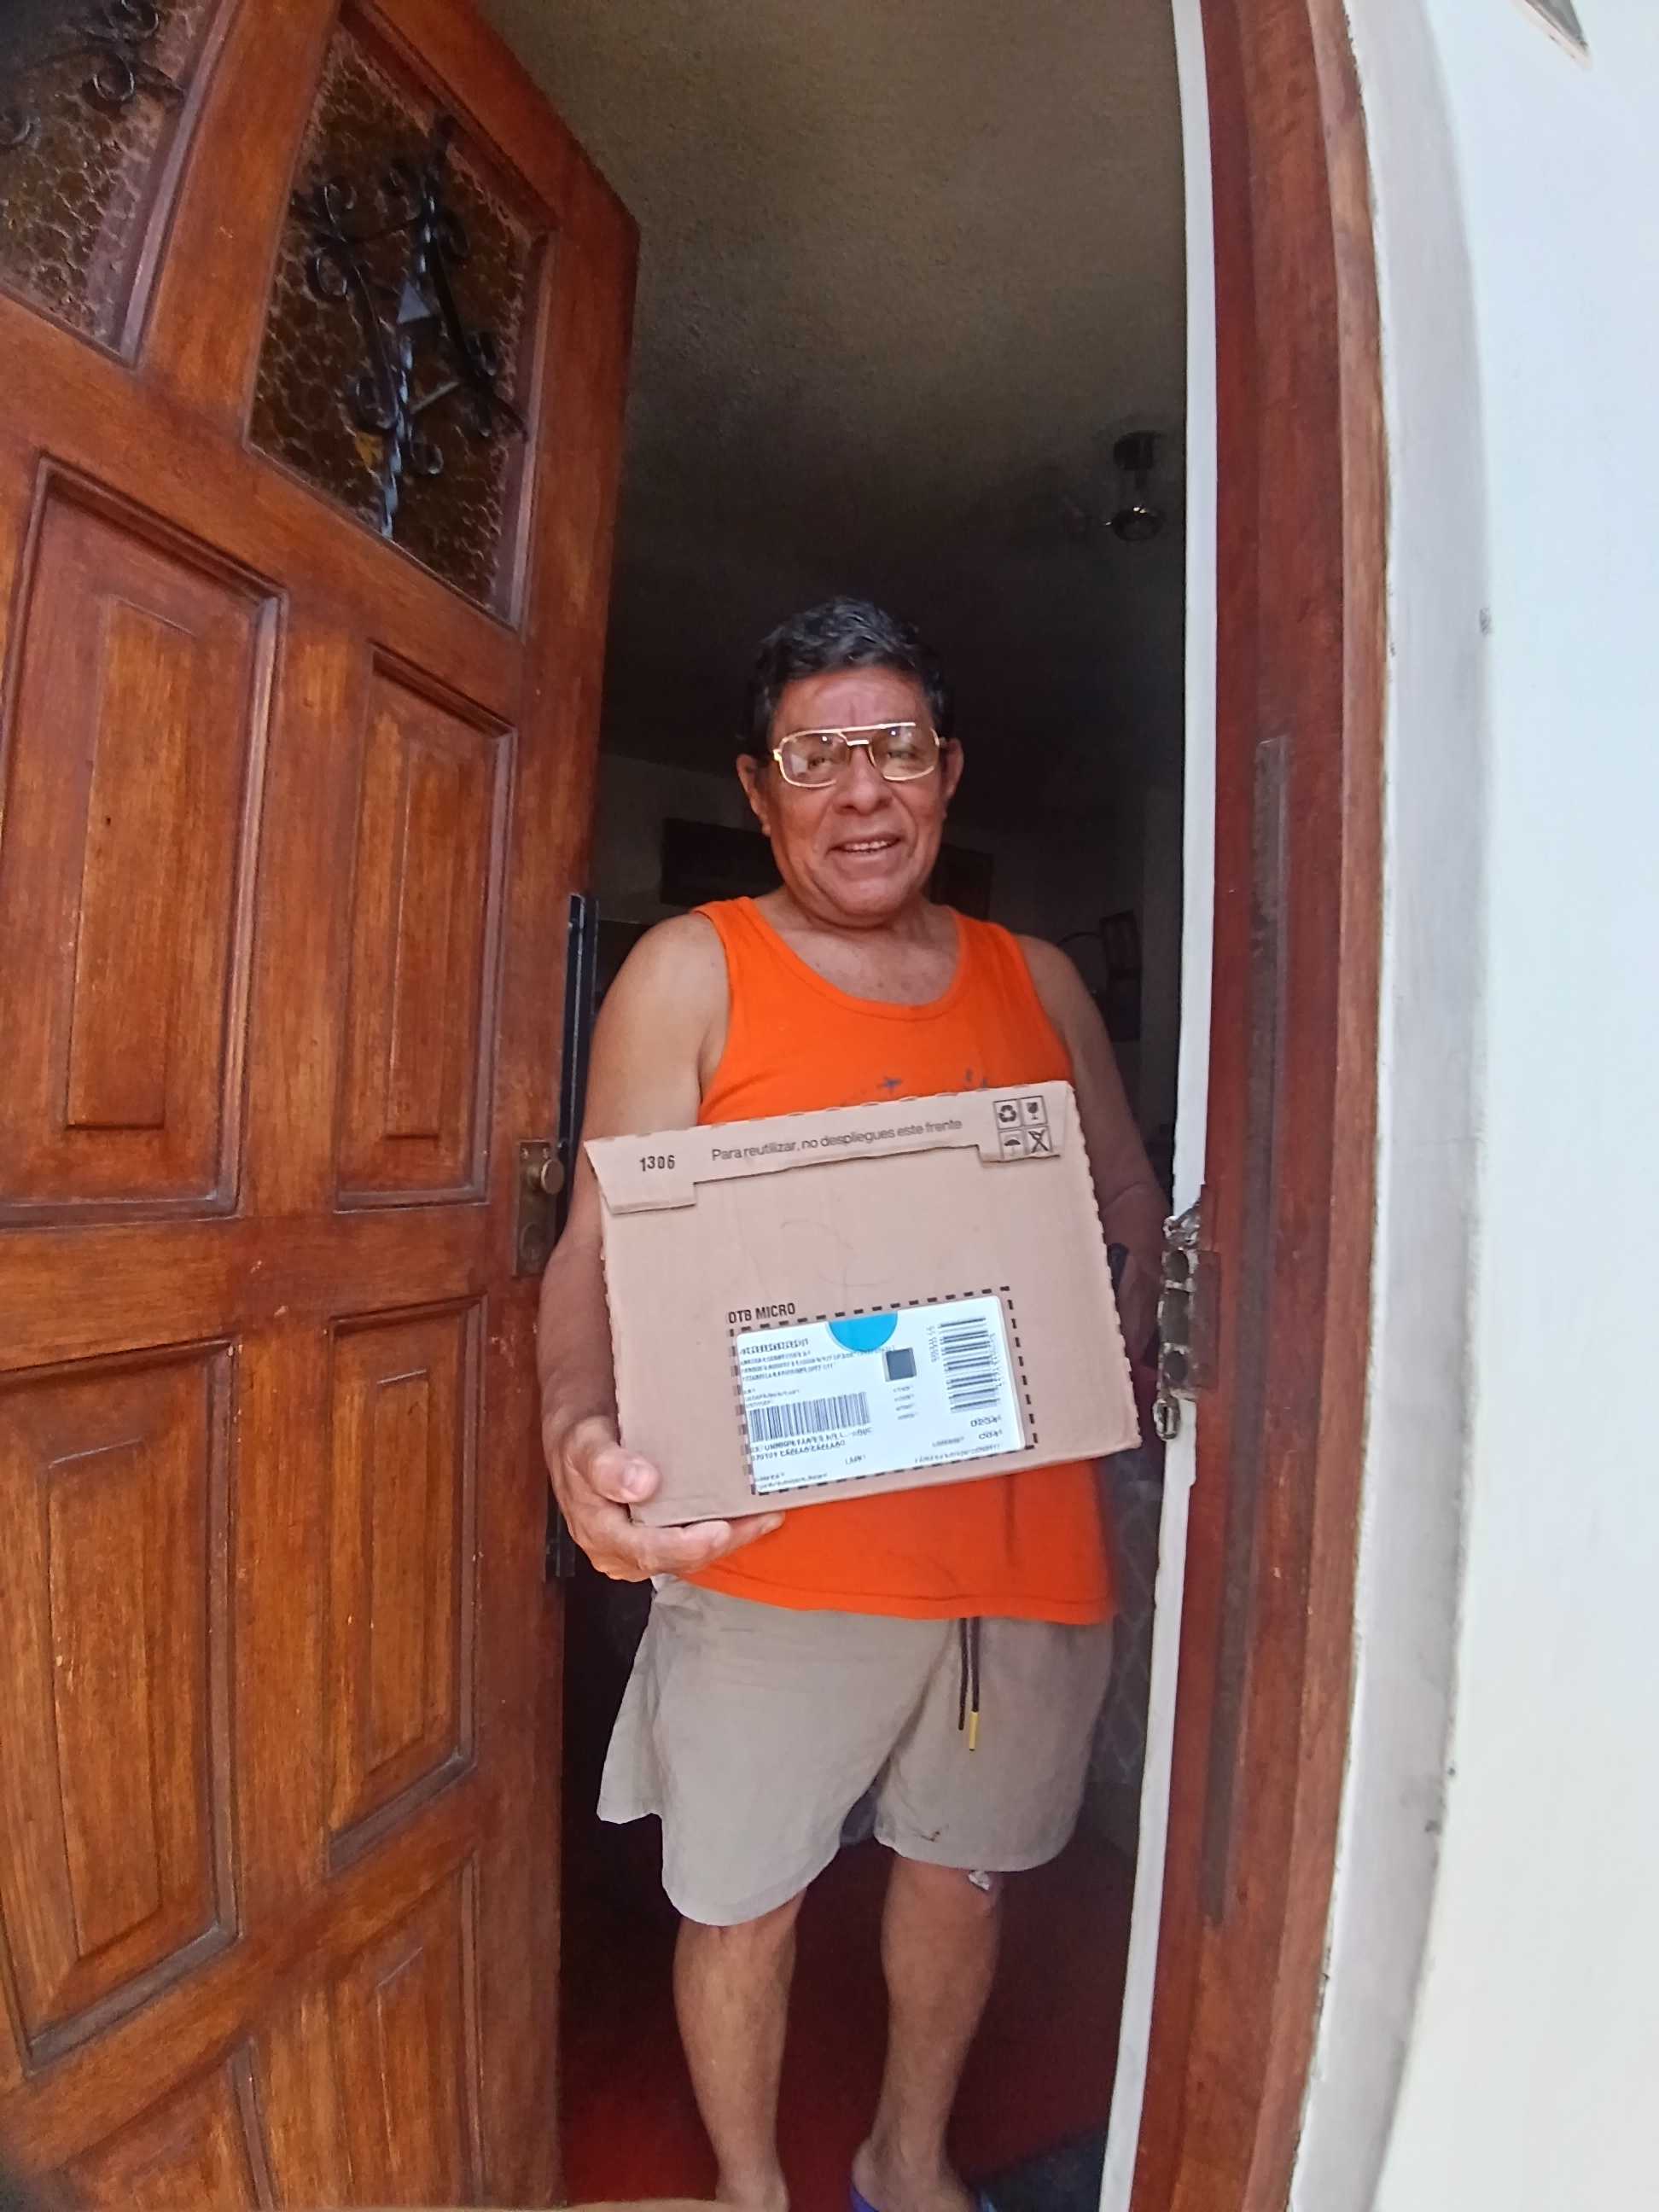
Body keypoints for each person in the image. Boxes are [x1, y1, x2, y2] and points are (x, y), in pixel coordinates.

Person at [538, 599, 1165, 2212]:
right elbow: (600, 1246)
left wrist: (1118, 1343)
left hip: (1015, 1551)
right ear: (762, 793)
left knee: (964, 1876)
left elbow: (1124, 1202)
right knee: (741, 1895)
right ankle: (752, 2187)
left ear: (947, 772)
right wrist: (573, 1436)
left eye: (895, 748)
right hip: (774, 1555)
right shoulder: (694, 972)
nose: (862, 789)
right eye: (817, 757)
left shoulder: (1037, 982)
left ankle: (910, 2158)